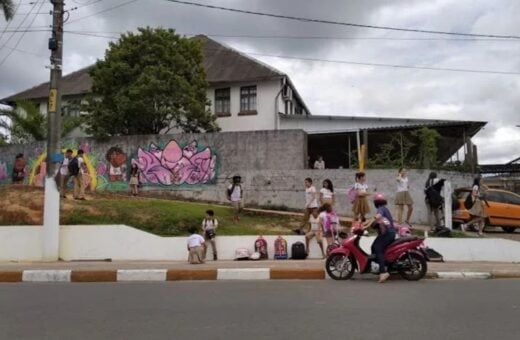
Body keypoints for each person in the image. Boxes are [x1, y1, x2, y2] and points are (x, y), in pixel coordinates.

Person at [364, 194, 396, 283]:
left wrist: (368, 224)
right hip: (389, 233)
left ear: (376, 203)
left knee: (378, 247)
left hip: (388, 233)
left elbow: (377, 217)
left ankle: (383, 272)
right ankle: (379, 266)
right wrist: (366, 223)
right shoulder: (384, 209)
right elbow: (375, 220)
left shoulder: (381, 209)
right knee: (373, 246)